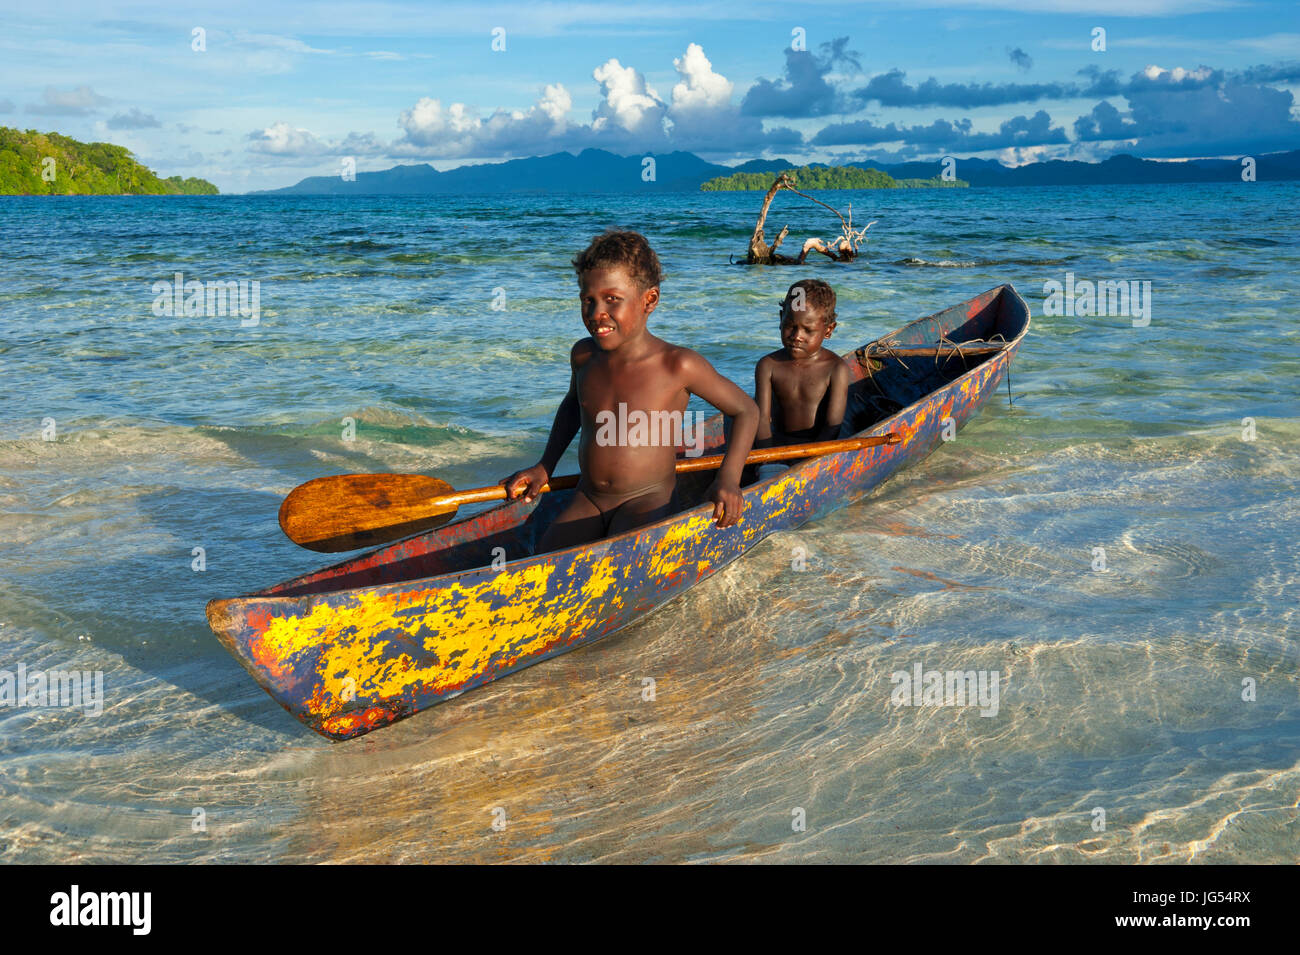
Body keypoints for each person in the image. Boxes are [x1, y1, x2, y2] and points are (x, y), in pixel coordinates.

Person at [501, 230, 758, 552]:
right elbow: (573, 407)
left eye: (612, 300)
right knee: (545, 561)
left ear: (648, 300)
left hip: (646, 499)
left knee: (618, 559)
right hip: (590, 496)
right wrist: (545, 465)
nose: (596, 313)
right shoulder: (583, 355)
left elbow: (745, 410)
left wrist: (728, 479)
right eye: (588, 300)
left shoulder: (677, 365)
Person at [752, 279, 850, 480]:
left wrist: (807, 461)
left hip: (816, 450)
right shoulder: (768, 365)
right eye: (790, 326)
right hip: (776, 448)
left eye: (808, 330)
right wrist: (767, 457)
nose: (797, 336)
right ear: (781, 319)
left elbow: (832, 426)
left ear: (829, 330)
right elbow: (762, 419)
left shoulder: (835, 368)